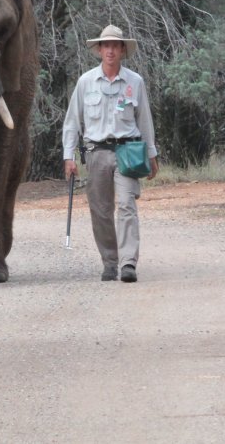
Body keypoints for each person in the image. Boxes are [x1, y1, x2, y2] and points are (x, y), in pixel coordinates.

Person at [63, 25, 160, 283]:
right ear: (99, 50)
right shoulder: (85, 82)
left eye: (115, 46)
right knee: (101, 210)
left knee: (127, 204)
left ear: (122, 50)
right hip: (96, 152)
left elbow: (145, 120)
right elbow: (73, 121)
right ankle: (109, 261)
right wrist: (68, 157)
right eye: (106, 45)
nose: (110, 50)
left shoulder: (135, 82)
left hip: (127, 151)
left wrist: (151, 154)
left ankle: (128, 262)